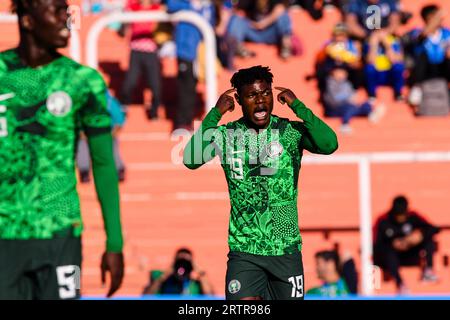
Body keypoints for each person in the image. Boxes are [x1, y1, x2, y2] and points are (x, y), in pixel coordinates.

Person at [0, 0, 124, 299]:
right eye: (55, 10)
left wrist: (115, 243)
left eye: (66, 10)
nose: (65, 18)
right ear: (28, 20)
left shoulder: (83, 81)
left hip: (62, 235)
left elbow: (104, 162)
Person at [183, 65, 338, 300]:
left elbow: (329, 144)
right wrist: (215, 113)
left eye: (265, 93)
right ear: (239, 99)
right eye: (252, 95)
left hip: (285, 247)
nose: (260, 101)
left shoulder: (289, 131)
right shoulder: (228, 135)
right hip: (244, 247)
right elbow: (190, 159)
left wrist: (299, 106)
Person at [373, 195, 441, 294]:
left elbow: (434, 229)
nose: (401, 218)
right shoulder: (383, 220)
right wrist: (393, 244)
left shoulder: (413, 216)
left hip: (412, 253)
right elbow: (376, 244)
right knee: (388, 253)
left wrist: (419, 235)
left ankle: (428, 271)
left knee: (429, 240)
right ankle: (400, 284)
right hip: (393, 257)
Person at [167, 0, 216, 131]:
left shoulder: (207, 5)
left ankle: (188, 122)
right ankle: (182, 123)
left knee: (193, 85)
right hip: (185, 50)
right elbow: (170, 5)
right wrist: (191, 5)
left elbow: (211, 22)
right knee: (185, 86)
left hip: (201, 52)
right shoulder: (182, 2)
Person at [120, 0, 162, 120]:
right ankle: (124, 107)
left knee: (155, 85)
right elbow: (123, 27)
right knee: (130, 82)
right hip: (136, 51)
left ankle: (154, 112)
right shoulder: (132, 7)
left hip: (151, 52)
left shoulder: (156, 8)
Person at [77, 90, 127, 183]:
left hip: (106, 132)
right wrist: (82, 133)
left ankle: (119, 169)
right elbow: (77, 120)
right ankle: (84, 171)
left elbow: (120, 121)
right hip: (87, 133)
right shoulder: (81, 102)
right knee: (81, 144)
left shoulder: (109, 101)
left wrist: (111, 135)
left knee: (112, 146)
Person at [406, 4, 450, 106]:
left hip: (442, 68)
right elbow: (423, 35)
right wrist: (437, 17)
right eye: (436, 16)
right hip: (424, 70)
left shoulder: (447, 33)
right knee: (422, 55)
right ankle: (416, 89)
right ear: (429, 17)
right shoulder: (416, 32)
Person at [323, 65, 385, 134]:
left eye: (343, 73)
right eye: (339, 72)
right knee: (350, 108)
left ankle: (370, 112)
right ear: (333, 73)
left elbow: (352, 94)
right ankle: (345, 124)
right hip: (334, 108)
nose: (342, 74)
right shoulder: (330, 83)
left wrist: (353, 98)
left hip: (349, 105)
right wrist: (348, 98)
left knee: (365, 104)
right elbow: (334, 99)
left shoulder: (347, 84)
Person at [227, 0, 294, 59]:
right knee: (236, 19)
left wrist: (262, 24)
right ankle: (238, 47)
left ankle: (286, 46)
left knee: (284, 16)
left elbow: (280, 9)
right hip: (253, 31)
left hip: (271, 32)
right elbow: (235, 7)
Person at [143, 248, 215, 295]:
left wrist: (201, 274)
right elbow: (147, 296)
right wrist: (163, 276)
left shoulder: (196, 284)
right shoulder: (162, 280)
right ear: (174, 262)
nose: (182, 265)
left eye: (186, 263)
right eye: (179, 262)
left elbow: (210, 297)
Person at [364, 29, 405, 101]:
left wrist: (387, 44)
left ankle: (398, 93)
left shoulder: (394, 41)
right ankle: (372, 94)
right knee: (369, 69)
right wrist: (374, 44)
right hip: (377, 74)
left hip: (389, 74)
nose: (380, 33)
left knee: (398, 67)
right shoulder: (370, 41)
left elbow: (394, 59)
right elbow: (370, 60)